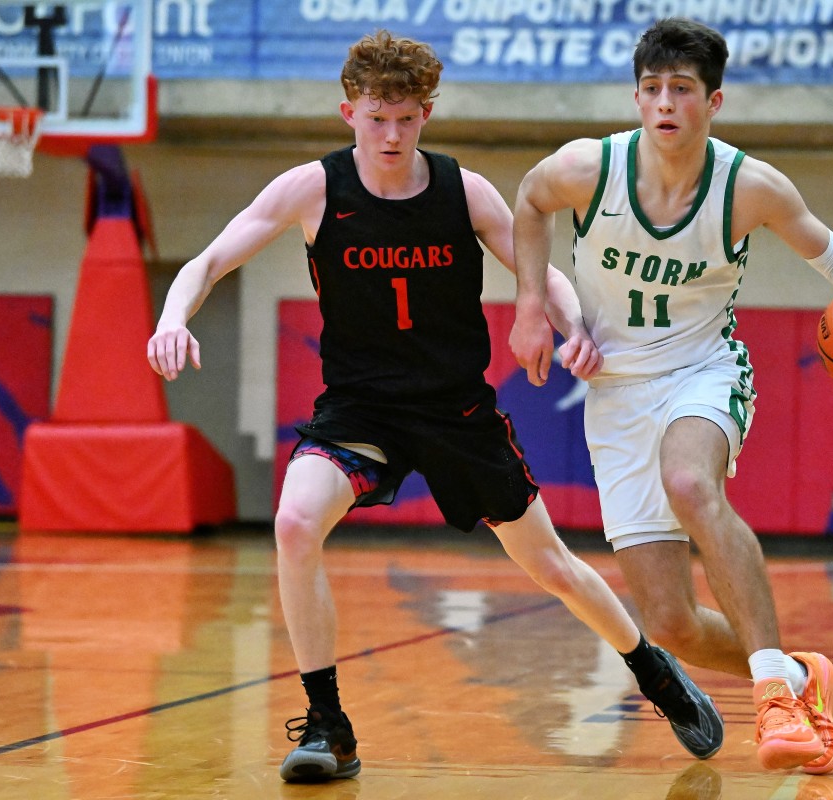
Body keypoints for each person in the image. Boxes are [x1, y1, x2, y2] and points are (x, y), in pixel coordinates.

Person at [147, 30, 724, 783]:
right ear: (347, 112)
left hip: (455, 410)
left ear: (427, 114)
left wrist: (572, 323)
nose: (392, 134)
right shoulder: (314, 190)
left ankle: (653, 671)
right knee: (293, 523)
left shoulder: (465, 191)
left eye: (408, 118)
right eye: (377, 117)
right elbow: (212, 258)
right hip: (359, 410)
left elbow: (538, 271)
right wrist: (171, 316)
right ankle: (329, 726)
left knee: (551, 565)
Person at [510, 18, 833, 774]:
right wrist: (531, 308)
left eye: (681, 90)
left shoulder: (750, 186)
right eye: (651, 89)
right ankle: (799, 677)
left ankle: (774, 701)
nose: (664, 103)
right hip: (615, 393)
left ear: (714, 101)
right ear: (636, 96)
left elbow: (829, 251)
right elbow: (529, 202)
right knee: (669, 621)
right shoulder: (588, 168)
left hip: (702, 370)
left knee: (689, 483)